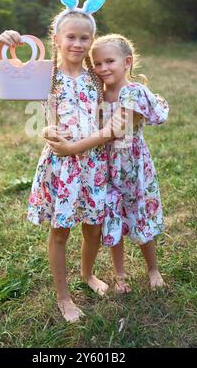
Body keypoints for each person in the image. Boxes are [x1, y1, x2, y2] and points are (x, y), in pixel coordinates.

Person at [0, 0, 118, 322]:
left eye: (84, 37)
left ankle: (88, 275)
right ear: (55, 39)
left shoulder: (95, 76)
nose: (77, 43)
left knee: (94, 227)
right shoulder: (44, 75)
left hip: (94, 163)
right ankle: (63, 296)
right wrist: (0, 49)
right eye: (70, 37)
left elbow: (121, 97)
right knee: (60, 231)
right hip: (62, 166)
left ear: (91, 41)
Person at [47, 34, 169, 294]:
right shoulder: (99, 93)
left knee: (139, 217)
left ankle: (153, 269)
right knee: (112, 217)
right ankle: (120, 274)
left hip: (133, 168)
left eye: (109, 62)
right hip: (104, 166)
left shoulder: (132, 93)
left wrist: (70, 149)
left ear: (127, 62)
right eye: (98, 63)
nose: (103, 69)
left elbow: (113, 131)